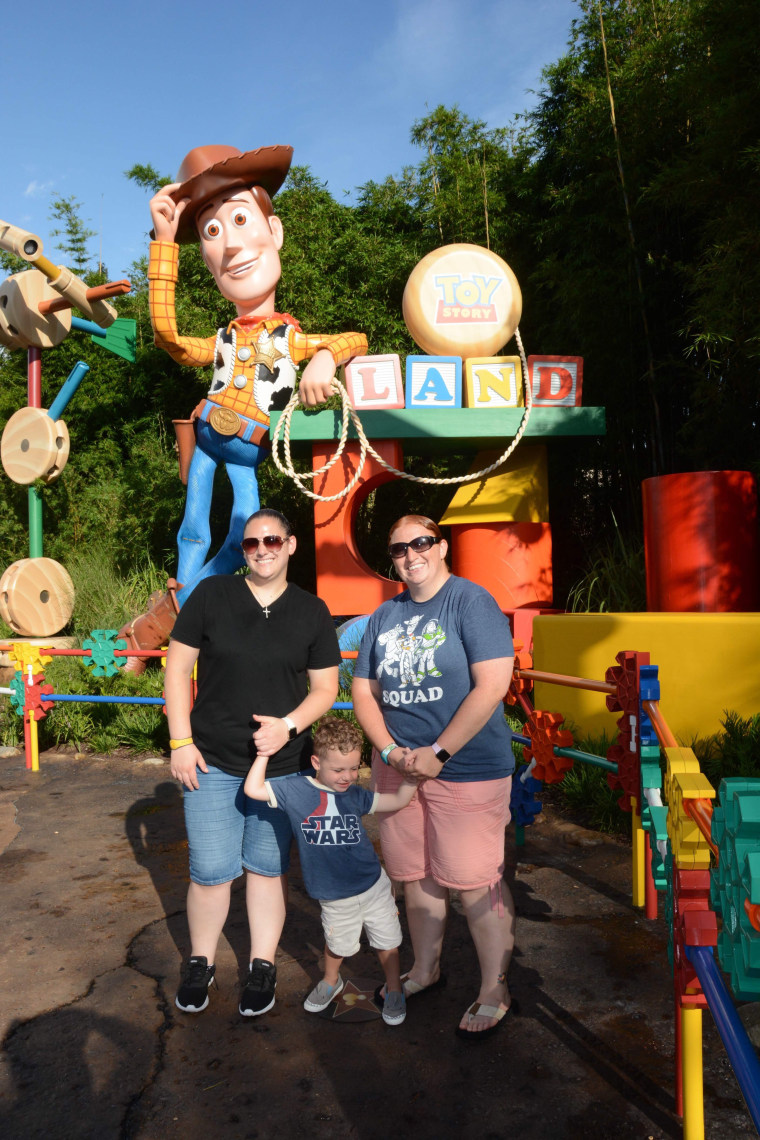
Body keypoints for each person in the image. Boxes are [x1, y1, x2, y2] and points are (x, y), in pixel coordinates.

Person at [119, 144, 367, 666]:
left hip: (247, 447)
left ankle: (173, 610)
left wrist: (323, 358)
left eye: (238, 219)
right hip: (209, 431)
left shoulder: (289, 337)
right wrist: (165, 244)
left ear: (273, 233)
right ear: (207, 261)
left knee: (243, 533)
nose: (230, 246)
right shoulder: (221, 338)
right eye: (212, 232)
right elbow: (168, 337)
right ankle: (182, 635)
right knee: (192, 528)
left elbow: (355, 338)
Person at [164, 507, 341, 1017]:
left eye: (271, 540)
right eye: (250, 543)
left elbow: (326, 688)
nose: (261, 549)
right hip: (211, 760)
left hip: (282, 766)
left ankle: (261, 963)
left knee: (266, 869)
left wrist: (286, 726)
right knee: (211, 871)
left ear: (290, 546)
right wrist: (180, 743)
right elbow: (177, 672)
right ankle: (200, 960)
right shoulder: (211, 595)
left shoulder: (311, 611)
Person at [352, 515, 516, 1040]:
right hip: (397, 769)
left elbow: (493, 683)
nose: (410, 554)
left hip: (465, 769)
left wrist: (439, 752)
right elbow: (364, 692)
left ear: (441, 547)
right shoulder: (384, 615)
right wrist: (390, 750)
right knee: (416, 875)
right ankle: (426, 969)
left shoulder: (470, 602)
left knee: (474, 881)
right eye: (399, 548)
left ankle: (495, 986)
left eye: (421, 543)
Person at [244, 716, 416, 1025]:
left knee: (387, 942)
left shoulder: (356, 795)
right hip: (333, 895)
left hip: (373, 885)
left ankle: (393, 988)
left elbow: (400, 799)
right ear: (315, 762)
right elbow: (253, 789)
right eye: (338, 769)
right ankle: (330, 980)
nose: (347, 777)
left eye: (354, 768)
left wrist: (413, 776)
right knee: (337, 944)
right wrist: (264, 754)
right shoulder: (294, 791)